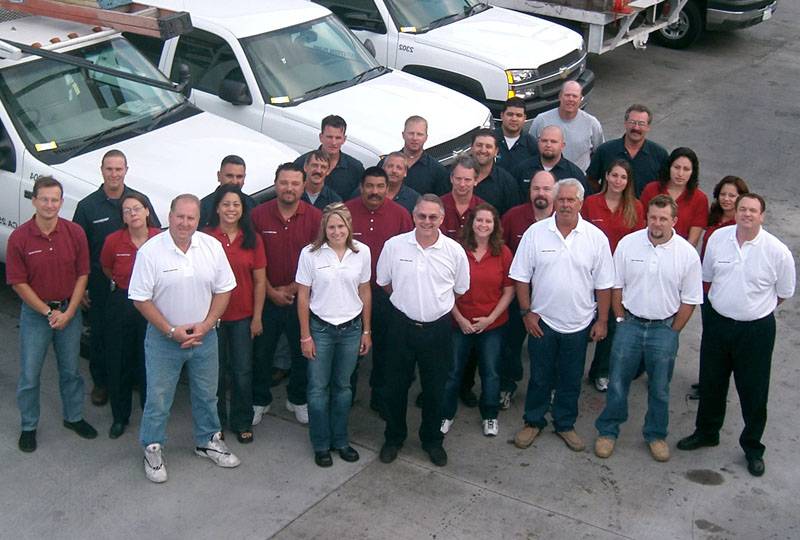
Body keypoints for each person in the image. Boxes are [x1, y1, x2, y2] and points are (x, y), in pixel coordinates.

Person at [677, 193, 795, 477]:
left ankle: (753, 447)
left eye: (753, 211)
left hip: (755, 330)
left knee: (753, 390)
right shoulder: (718, 239)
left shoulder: (777, 252)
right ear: (736, 212)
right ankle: (707, 432)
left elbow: (784, 293)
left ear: (762, 216)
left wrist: (752, 309)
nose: (747, 214)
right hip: (718, 323)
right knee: (711, 381)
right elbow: (707, 277)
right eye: (743, 209)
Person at [130, 194, 239, 483]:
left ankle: (208, 441)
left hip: (205, 336)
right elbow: (141, 299)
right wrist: (170, 330)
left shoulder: (211, 247)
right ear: (169, 216)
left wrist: (207, 324)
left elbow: (224, 289)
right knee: (159, 397)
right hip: (164, 339)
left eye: (191, 218)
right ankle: (152, 448)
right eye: (180, 216)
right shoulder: (151, 252)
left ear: (198, 220)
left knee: (207, 394)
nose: (185, 223)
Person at [594, 195, 702, 462]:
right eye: (653, 217)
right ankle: (608, 431)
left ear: (674, 221)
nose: (657, 223)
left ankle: (655, 435)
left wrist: (672, 331)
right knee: (617, 382)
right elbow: (616, 284)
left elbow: (690, 300)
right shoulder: (628, 244)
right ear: (647, 218)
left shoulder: (687, 254)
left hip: (663, 330)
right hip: (629, 325)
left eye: (663, 218)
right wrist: (620, 318)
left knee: (660, 388)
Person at [509, 179, 613, 452]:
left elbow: (604, 284)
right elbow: (521, 276)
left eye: (571, 200)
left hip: (579, 324)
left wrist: (602, 320)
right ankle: (533, 421)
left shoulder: (595, 238)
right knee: (540, 376)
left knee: (571, 378)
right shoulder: (535, 233)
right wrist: (526, 312)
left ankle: (565, 424)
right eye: (562, 199)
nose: (566, 204)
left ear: (581, 202)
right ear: (555, 201)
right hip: (542, 322)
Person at [376, 194, 470, 467]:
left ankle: (432, 440)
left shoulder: (454, 251)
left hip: (438, 330)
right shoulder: (394, 246)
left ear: (442, 219)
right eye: (422, 216)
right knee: (395, 387)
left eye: (433, 217)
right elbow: (384, 283)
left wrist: (432, 305)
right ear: (413, 216)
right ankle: (393, 438)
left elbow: (460, 290)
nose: (427, 222)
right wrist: (407, 303)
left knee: (435, 389)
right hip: (401, 327)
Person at [8, 176, 97, 453]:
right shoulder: (20, 238)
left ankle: (73, 417)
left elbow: (83, 273)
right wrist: (48, 312)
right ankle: (29, 426)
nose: (49, 204)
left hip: (69, 312)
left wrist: (69, 312)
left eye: (54, 200)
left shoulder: (74, 233)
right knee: (30, 375)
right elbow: (19, 283)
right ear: (34, 201)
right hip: (37, 315)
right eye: (44, 199)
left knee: (70, 371)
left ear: (61, 202)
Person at [73, 149, 159, 406]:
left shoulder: (137, 201)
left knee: (136, 338)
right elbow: (80, 251)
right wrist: (82, 287)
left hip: (140, 288)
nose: (114, 174)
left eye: (118, 169)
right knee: (100, 337)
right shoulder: (87, 207)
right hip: (101, 286)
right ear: (101, 170)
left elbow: (155, 236)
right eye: (109, 169)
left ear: (126, 170)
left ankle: (130, 379)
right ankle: (101, 383)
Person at [297, 203, 372, 467]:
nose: (337, 231)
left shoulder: (362, 252)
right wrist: (305, 336)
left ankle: (340, 440)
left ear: (349, 227)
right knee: (318, 389)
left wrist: (366, 330)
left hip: (351, 329)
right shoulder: (310, 254)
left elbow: (365, 291)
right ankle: (321, 444)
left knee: (343, 388)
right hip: (321, 329)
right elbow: (303, 296)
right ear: (324, 229)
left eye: (341, 226)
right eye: (332, 227)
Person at [251, 164, 323, 425]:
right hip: (265, 297)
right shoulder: (258, 215)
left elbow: (318, 260)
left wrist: (292, 289)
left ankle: (298, 399)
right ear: (275, 183)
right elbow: (252, 259)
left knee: (302, 352)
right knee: (261, 353)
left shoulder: (316, 218)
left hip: (301, 298)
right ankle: (259, 400)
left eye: (294, 183)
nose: (289, 188)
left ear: (303, 186)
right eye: (284, 182)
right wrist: (270, 291)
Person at [441, 203, 514, 437]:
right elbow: (445, 288)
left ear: (495, 226)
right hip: (458, 322)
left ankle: (490, 415)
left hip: (491, 325)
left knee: (491, 372)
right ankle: (445, 413)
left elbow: (509, 290)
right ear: (471, 223)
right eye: (479, 220)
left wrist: (490, 319)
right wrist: (460, 318)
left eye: (488, 221)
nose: (483, 225)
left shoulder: (503, 252)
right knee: (452, 372)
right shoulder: (456, 250)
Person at [345, 167, 413, 417]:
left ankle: (380, 396)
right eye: (370, 186)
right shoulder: (346, 212)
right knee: (351, 348)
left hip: (386, 295)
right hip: (351, 294)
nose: (375, 192)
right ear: (361, 187)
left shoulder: (401, 215)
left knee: (386, 349)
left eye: (380, 187)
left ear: (387, 188)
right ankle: (346, 394)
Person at [205, 185, 266, 444]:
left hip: (242, 317)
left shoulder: (252, 239)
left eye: (236, 205)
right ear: (217, 207)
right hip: (211, 319)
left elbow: (260, 282)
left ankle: (242, 421)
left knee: (242, 372)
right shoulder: (205, 238)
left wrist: (257, 317)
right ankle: (214, 423)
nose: (231, 209)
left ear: (243, 210)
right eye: (227, 204)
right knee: (214, 375)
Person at [99, 193, 160, 439]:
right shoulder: (113, 241)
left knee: (150, 362)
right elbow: (106, 268)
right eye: (127, 210)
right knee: (119, 361)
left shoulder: (160, 239)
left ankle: (150, 414)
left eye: (137, 208)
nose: (132, 213)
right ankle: (120, 417)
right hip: (122, 303)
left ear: (147, 211)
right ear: (122, 217)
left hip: (153, 304)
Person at [581, 160, 645, 392]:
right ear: (606, 176)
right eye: (614, 175)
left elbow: (638, 243)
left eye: (623, 177)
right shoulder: (590, 203)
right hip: (589, 272)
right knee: (585, 321)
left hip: (618, 276)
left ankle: (601, 371)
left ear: (628, 182)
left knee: (610, 324)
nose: (618, 181)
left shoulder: (635, 207)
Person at [498, 170, 556, 409]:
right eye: (536, 188)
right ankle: (507, 386)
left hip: (550, 297)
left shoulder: (563, 219)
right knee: (510, 345)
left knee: (549, 348)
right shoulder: (513, 217)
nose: (540, 193)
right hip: (516, 296)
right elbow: (499, 252)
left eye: (546, 189)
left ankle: (549, 389)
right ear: (529, 190)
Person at [586, 104, 668, 196]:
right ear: (625, 123)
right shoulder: (605, 151)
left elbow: (666, 185)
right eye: (632, 122)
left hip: (646, 209)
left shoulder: (660, 154)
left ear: (648, 127)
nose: (636, 128)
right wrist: (604, 198)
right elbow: (591, 180)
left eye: (641, 124)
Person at [640, 147, 708, 247]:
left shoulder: (700, 198)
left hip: (680, 253)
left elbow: (693, 240)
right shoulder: (651, 189)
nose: (680, 174)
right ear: (669, 167)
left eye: (686, 169)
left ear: (693, 172)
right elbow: (642, 224)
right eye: (676, 167)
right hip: (649, 246)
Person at [529, 81, 604, 172]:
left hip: (578, 181)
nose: (570, 99)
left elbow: (600, 154)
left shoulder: (592, 123)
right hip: (547, 178)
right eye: (567, 95)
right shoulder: (541, 120)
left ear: (580, 99)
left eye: (575, 96)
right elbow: (530, 151)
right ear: (560, 96)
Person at [294, 115, 365, 200]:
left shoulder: (355, 168)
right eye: (329, 137)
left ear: (344, 139)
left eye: (338, 138)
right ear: (321, 137)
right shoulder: (301, 163)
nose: (333, 142)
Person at [379, 115, 450, 196]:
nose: (415, 138)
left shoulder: (437, 171)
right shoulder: (385, 163)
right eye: (411, 133)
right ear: (403, 135)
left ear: (426, 138)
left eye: (419, 134)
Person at [512, 125, 587, 198]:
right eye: (544, 141)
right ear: (538, 143)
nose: (548, 145)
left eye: (553, 141)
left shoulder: (574, 175)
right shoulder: (522, 170)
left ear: (562, 145)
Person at [468, 129, 521, 216]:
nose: (483, 150)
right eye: (479, 145)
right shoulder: (457, 176)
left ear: (496, 151)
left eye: (488, 146)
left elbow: (512, 217)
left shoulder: (507, 182)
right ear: (471, 148)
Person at [199, 155, 256, 228]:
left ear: (244, 178)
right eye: (229, 176)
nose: (234, 181)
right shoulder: (202, 208)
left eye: (239, 177)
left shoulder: (253, 206)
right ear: (219, 176)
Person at [701, 175, 749, 259]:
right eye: (722, 194)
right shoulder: (712, 216)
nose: (726, 199)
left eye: (732, 196)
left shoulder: (743, 223)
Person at [441, 153, 484, 239]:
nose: (462, 184)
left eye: (467, 180)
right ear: (451, 178)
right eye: (458, 179)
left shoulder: (483, 209)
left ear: (476, 180)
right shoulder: (438, 206)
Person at [495, 97, 538, 174]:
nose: (514, 119)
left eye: (518, 115)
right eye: (510, 114)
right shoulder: (490, 140)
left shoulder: (532, 145)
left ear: (524, 118)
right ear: (502, 115)